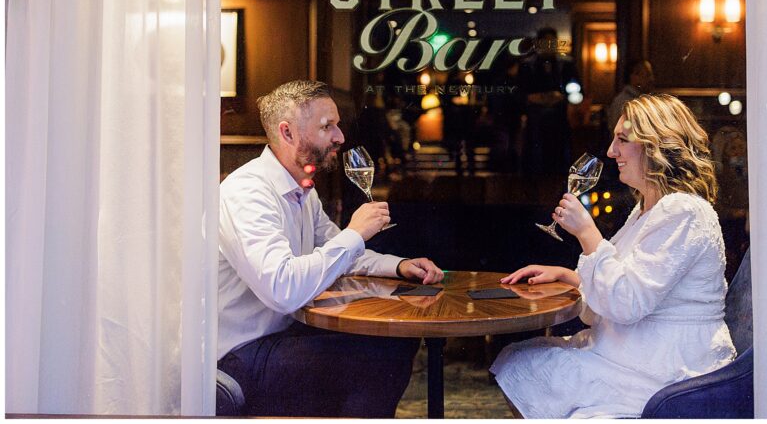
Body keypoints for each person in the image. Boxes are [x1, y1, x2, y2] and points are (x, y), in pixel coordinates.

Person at [491, 93, 735, 418]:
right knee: (518, 361)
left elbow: (626, 302)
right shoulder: (648, 209)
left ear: (655, 144)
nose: (610, 151)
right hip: (637, 353)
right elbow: (628, 282)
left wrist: (586, 233)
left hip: (668, 369)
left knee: (526, 365)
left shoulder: (684, 210)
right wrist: (569, 276)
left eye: (622, 139)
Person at [217, 80, 444, 417]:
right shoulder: (248, 193)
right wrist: (355, 232)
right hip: (237, 353)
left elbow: (338, 253)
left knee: (398, 339)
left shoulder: (302, 192)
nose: (340, 136)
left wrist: (397, 266)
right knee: (377, 360)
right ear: (288, 133)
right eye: (328, 126)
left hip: (281, 336)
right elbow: (283, 288)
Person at [519, 27, 579, 174]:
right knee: (536, 160)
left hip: (559, 119)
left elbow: (577, 91)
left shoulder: (566, 64)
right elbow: (520, 93)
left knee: (558, 161)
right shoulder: (528, 65)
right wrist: (535, 98)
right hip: (536, 121)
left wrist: (562, 96)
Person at [607, 59, 655, 137]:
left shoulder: (643, 99)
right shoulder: (623, 102)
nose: (651, 79)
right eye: (647, 75)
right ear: (634, 76)